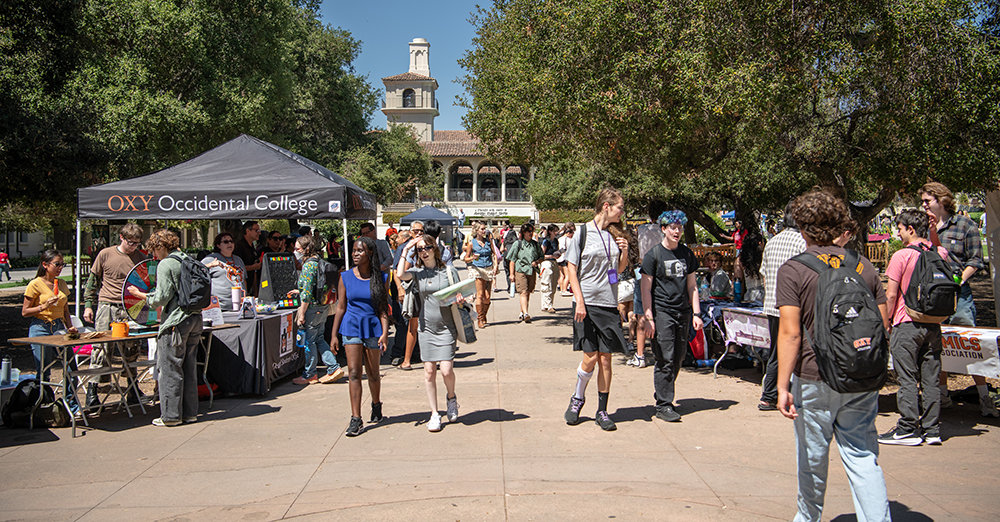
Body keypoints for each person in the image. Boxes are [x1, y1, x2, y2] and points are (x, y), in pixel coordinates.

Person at [775, 189, 891, 522]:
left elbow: (790, 333)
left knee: (812, 458)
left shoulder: (794, 270)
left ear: (803, 229)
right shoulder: (864, 266)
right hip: (860, 377)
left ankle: (807, 518)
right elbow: (882, 324)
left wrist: (782, 386)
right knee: (863, 456)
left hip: (815, 376)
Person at [920, 182, 998, 417]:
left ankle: (984, 397)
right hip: (934, 296)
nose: (923, 205)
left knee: (969, 344)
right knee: (938, 345)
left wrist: (959, 281)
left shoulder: (965, 224)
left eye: (927, 200)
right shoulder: (923, 227)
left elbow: (975, 259)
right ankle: (942, 396)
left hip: (960, 295)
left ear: (941, 200)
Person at [878, 209, 948, 446]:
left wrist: (886, 323)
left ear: (910, 229)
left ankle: (908, 427)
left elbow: (891, 294)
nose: (898, 233)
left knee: (906, 377)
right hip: (933, 324)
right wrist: (934, 232)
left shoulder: (901, 255)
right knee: (931, 377)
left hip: (906, 322)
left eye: (899, 228)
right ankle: (932, 429)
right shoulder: (939, 253)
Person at [564, 188, 630, 431]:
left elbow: (619, 269)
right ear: (606, 206)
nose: (622, 212)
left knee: (606, 360)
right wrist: (579, 300)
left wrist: (624, 250)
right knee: (590, 358)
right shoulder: (582, 232)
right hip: (587, 304)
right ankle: (578, 397)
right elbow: (572, 267)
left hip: (608, 303)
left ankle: (602, 410)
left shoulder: (615, 234)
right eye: (619, 207)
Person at [127, 229, 204, 427]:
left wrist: (140, 294)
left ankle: (170, 416)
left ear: (161, 246)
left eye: (155, 251)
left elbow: (161, 298)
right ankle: (190, 413)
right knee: (188, 367)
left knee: (170, 368)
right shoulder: (188, 259)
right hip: (195, 318)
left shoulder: (167, 264)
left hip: (175, 321)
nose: (154, 256)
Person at [396, 234, 466, 432]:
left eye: (426, 248)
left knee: (446, 371)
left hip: (446, 327)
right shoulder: (417, 272)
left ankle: (451, 398)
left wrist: (459, 298)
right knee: (428, 373)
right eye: (419, 250)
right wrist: (406, 248)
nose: (423, 252)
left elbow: (459, 293)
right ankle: (434, 413)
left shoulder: (449, 271)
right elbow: (400, 274)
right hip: (426, 328)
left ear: (434, 249)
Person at [640, 210, 703, 423]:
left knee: (678, 357)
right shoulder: (653, 255)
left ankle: (663, 392)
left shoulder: (687, 254)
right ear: (664, 229)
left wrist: (696, 313)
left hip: (683, 313)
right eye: (673, 228)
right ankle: (664, 405)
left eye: (680, 228)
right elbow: (645, 289)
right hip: (662, 312)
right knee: (664, 358)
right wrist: (649, 317)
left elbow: (692, 286)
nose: (677, 231)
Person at [82, 223, 148, 406]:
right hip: (107, 305)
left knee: (131, 348)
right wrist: (88, 305)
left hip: (130, 307)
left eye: (136, 243)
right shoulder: (105, 254)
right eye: (130, 242)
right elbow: (92, 281)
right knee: (101, 349)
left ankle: (132, 388)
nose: (133, 246)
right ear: (121, 237)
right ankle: (92, 392)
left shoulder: (140, 258)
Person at [330, 236, 390, 437]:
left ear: (370, 254)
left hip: (373, 328)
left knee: (373, 373)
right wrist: (334, 335)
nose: (355, 254)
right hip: (351, 327)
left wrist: (384, 333)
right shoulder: (345, 276)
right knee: (354, 373)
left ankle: (376, 405)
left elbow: (383, 309)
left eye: (360, 251)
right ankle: (356, 419)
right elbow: (340, 307)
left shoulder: (381, 277)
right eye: (354, 250)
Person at [758, 201, 807, 411]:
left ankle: (768, 395)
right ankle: (781, 395)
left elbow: (764, 275)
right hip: (794, 306)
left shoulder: (772, 242)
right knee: (794, 350)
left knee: (776, 352)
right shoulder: (802, 243)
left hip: (771, 305)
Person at [22, 250, 81, 414]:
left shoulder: (61, 283)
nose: (60, 267)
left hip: (59, 327)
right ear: (45, 265)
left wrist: (69, 326)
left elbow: (65, 309)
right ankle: (45, 407)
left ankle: (71, 405)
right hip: (40, 326)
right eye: (57, 264)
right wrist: (44, 306)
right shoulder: (35, 284)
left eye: (62, 264)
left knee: (70, 366)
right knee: (44, 370)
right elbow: (25, 312)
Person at [289, 236, 344, 386]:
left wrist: (301, 314)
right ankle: (333, 367)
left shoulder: (308, 266)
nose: (295, 251)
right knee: (319, 338)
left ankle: (310, 373)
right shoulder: (320, 262)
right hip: (323, 307)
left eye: (297, 249)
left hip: (312, 309)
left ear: (306, 249)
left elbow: (306, 295)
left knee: (309, 342)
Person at [628, 200, 668, 368]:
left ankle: (640, 355)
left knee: (641, 314)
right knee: (662, 312)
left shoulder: (642, 229)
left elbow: (638, 252)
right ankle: (663, 353)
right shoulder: (668, 230)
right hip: (663, 274)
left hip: (644, 272)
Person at [462, 222, 498, 328]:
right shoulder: (472, 243)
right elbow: (466, 258)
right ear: (477, 230)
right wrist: (472, 258)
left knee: (487, 297)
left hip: (488, 269)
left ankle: (484, 315)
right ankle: (480, 319)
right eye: (482, 229)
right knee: (480, 295)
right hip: (477, 269)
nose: (484, 231)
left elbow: (495, 254)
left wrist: (495, 266)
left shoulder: (488, 241)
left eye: (484, 229)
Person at [505, 223, 543, 323]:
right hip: (520, 270)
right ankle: (526, 313)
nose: (531, 233)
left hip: (531, 270)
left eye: (532, 231)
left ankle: (522, 311)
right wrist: (512, 274)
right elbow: (512, 260)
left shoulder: (535, 244)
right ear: (524, 233)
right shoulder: (518, 244)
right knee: (523, 291)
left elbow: (541, 257)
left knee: (528, 292)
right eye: (529, 231)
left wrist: (537, 262)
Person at [200, 233, 247, 311]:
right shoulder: (211, 258)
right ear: (218, 245)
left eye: (231, 241)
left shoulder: (238, 259)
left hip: (240, 305)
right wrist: (210, 265)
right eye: (226, 242)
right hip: (220, 306)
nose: (230, 244)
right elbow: (196, 271)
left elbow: (244, 280)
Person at [734, 231, 765, 302]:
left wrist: (738, 299)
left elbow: (738, 281)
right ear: (760, 243)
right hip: (764, 293)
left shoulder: (740, 260)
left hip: (750, 295)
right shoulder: (764, 257)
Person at [233, 221, 262, 296]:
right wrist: (252, 267)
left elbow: (254, 271)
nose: (259, 233)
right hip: (240, 289)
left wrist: (256, 293)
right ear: (248, 231)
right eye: (257, 231)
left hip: (249, 288)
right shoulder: (239, 247)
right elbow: (234, 268)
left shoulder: (252, 246)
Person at [538, 224, 561, 313]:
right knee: (546, 283)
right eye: (555, 231)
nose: (557, 233)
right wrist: (551, 255)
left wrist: (558, 253)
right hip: (546, 263)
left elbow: (557, 250)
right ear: (550, 231)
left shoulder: (556, 241)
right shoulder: (545, 241)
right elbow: (541, 255)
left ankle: (547, 303)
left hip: (554, 262)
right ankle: (547, 305)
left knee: (553, 283)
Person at [557, 223, 575, 296]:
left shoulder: (559, 239)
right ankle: (564, 290)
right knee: (567, 275)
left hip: (559, 258)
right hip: (565, 258)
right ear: (568, 233)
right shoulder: (568, 239)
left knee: (561, 275)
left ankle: (561, 289)